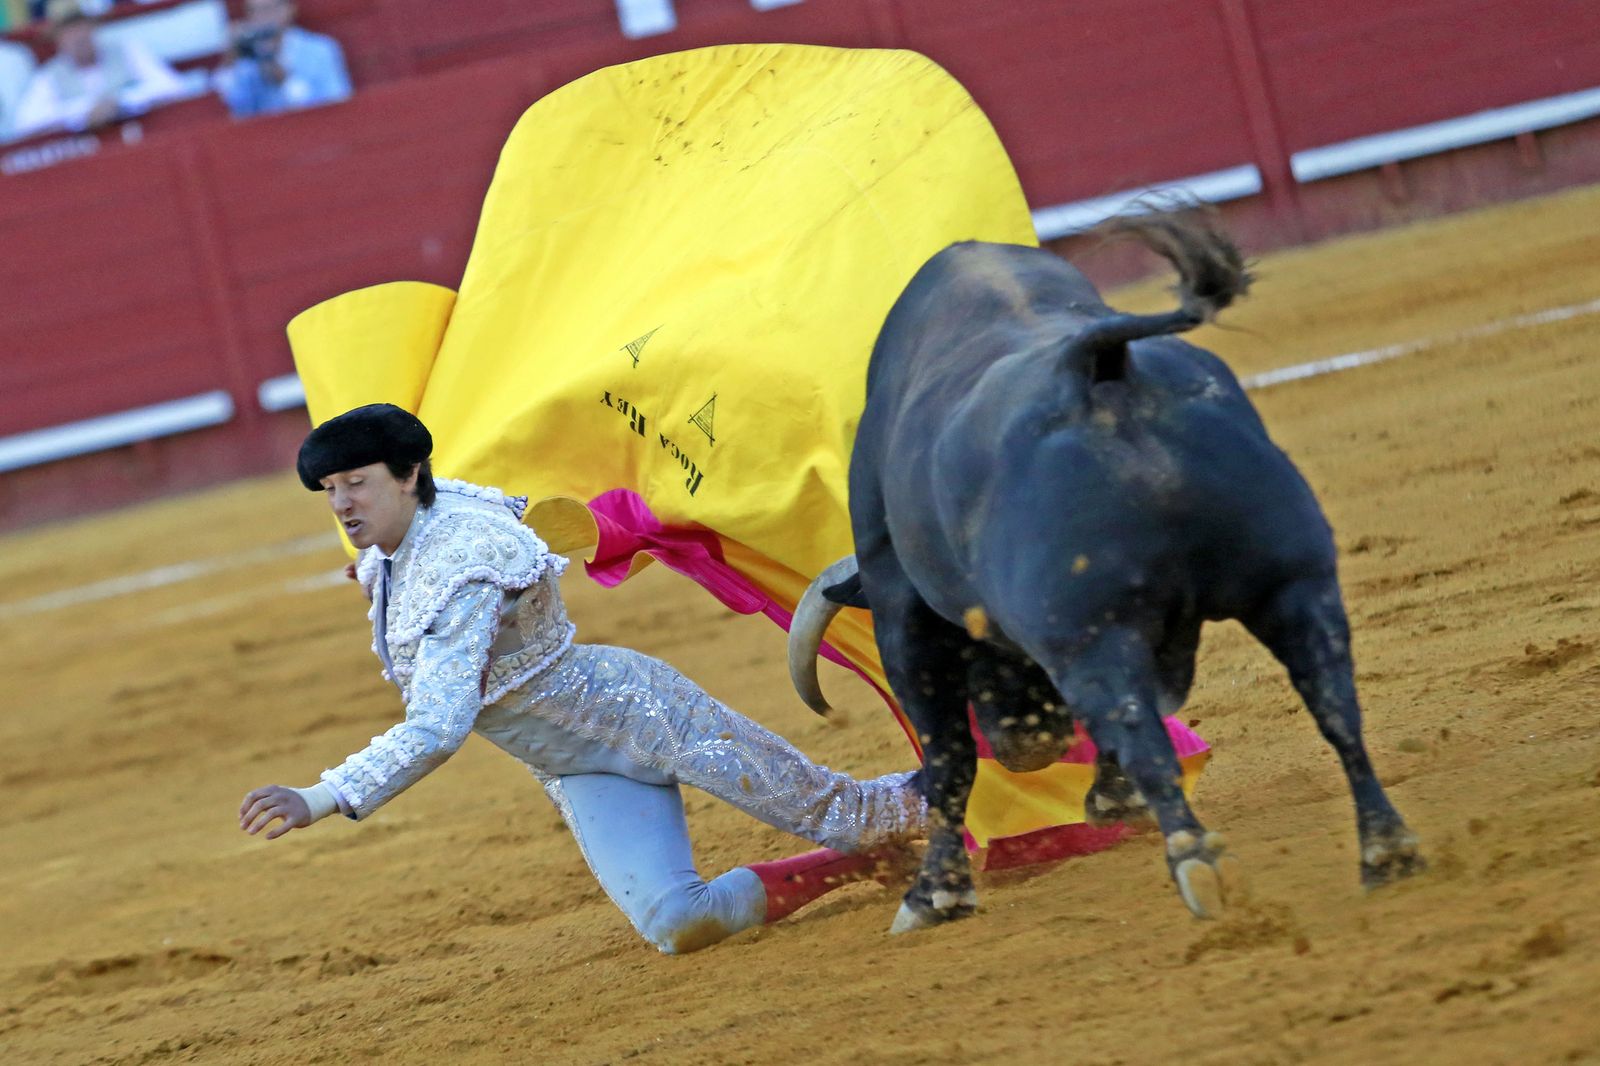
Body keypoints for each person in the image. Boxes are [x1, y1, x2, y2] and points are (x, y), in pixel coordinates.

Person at [239, 404, 927, 955]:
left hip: (643, 715)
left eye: (356, 482)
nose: (341, 504)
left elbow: (439, 725)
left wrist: (324, 795)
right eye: (331, 490)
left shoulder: (464, 564)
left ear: (410, 473)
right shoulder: (407, 540)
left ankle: (1006, 784)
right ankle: (856, 867)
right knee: (678, 923)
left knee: (855, 815)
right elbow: (455, 537)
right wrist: (374, 575)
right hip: (576, 763)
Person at [10, 0, 187, 138]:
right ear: (57, 38)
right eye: (68, 30)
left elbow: (172, 87)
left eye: (80, 26)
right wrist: (83, 114)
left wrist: (122, 103)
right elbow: (26, 123)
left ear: (92, 27)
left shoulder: (126, 52)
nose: (78, 36)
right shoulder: (50, 76)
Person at [213, 0, 349, 120]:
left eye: (269, 9)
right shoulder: (248, 58)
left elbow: (337, 103)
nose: (263, 17)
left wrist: (286, 81)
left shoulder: (320, 49)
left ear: (290, 9)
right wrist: (230, 60)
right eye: (255, 11)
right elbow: (234, 110)